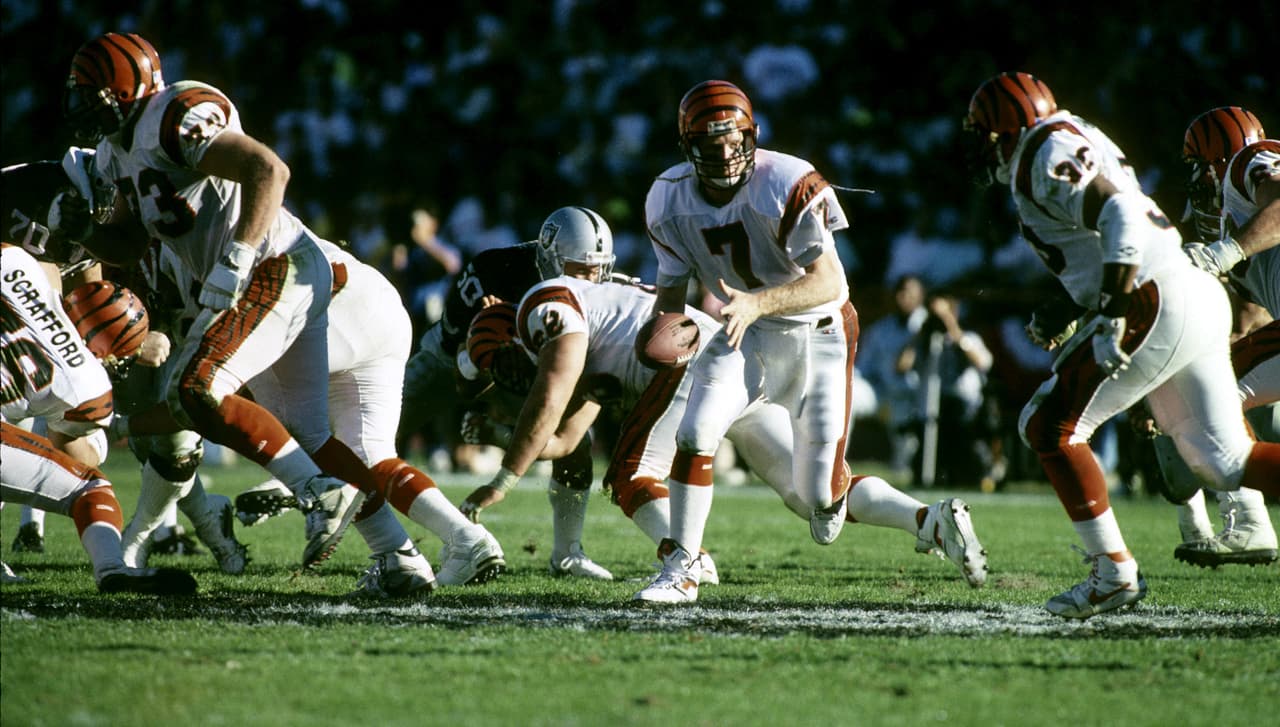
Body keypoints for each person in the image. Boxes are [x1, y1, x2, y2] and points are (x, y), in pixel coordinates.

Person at [461, 208, 988, 592]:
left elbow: (551, 394)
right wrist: (499, 435)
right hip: (733, 354)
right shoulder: (605, 311)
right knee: (810, 492)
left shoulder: (544, 303)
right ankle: (930, 519)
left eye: (504, 363)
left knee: (630, 475)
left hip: (695, 362)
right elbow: (568, 436)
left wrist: (503, 478)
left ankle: (685, 559)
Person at [636, 80, 985, 603]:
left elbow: (829, 282)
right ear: (688, 147)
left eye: (736, 141)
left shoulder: (786, 179)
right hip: (743, 331)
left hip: (817, 333)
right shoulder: (667, 199)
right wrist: (663, 339)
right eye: (712, 145)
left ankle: (932, 521)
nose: (728, 155)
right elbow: (670, 296)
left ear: (752, 135)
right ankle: (682, 569)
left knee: (819, 499)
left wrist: (758, 302)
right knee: (697, 430)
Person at [962, 71, 1280, 619]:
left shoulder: (1044, 150)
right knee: (1224, 461)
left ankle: (1112, 574)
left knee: (1049, 426)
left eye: (986, 135)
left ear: (1004, 132)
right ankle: (1114, 572)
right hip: (1191, 290)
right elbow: (1105, 232)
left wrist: (1112, 305)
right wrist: (1072, 303)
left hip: (1154, 295)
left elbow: (1122, 215)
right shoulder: (1070, 136)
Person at [59, 32, 371, 568]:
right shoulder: (114, 152)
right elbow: (133, 243)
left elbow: (269, 169)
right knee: (290, 423)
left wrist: (240, 254)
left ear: (128, 86)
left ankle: (320, 491)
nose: (88, 109)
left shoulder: (171, 114)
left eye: (97, 97)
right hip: (246, 276)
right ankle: (398, 553)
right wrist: (84, 232)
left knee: (196, 389)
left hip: (275, 261)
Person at [1, 243, 196, 595]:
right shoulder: (87, 385)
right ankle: (112, 570)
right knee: (90, 486)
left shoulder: (19, 263)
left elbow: (48, 277)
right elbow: (74, 457)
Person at [1159, 105, 1279, 567]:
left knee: (1203, 394)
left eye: (1196, 166)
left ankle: (1249, 522)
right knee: (1208, 387)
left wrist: (1226, 251)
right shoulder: (1235, 214)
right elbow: (1252, 310)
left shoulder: (1246, 164)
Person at [897, 292, 995, 487]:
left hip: (964, 410)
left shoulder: (969, 337)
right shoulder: (923, 341)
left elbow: (983, 363)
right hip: (932, 409)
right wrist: (920, 334)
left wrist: (950, 324)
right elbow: (901, 366)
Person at [857, 274, 927, 481]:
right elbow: (862, 368)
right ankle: (835, 463)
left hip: (915, 398)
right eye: (900, 293)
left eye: (910, 294)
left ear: (921, 297)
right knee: (848, 396)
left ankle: (905, 468)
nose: (903, 298)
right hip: (883, 393)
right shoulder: (881, 329)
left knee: (904, 465)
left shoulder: (929, 325)